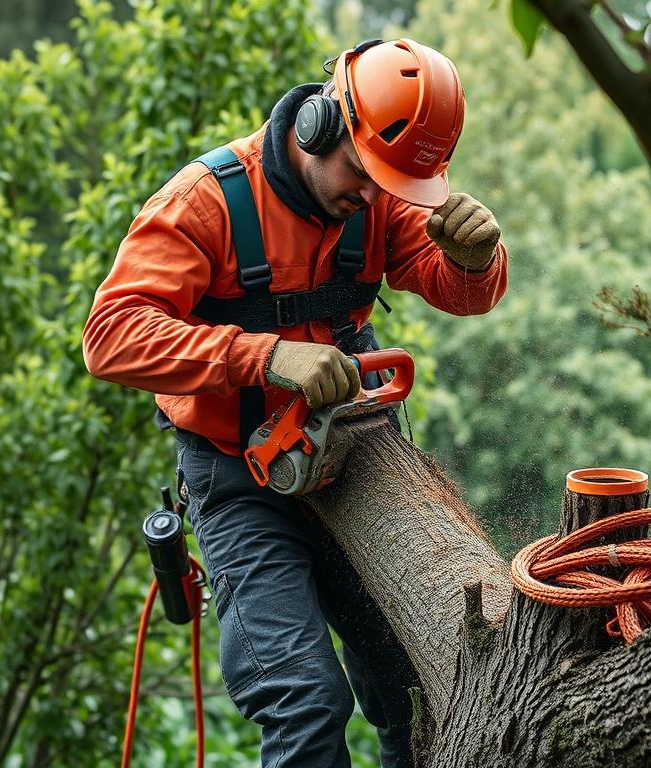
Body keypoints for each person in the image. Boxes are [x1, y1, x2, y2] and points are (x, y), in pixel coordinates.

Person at [83, 37, 508, 768]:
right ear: (322, 122)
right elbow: (110, 336)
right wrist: (266, 357)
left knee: (415, 679)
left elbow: (459, 291)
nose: (375, 197)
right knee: (306, 701)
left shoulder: (379, 198)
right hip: (238, 480)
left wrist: (476, 259)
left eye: (393, 183)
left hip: (356, 457)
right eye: (366, 174)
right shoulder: (207, 201)